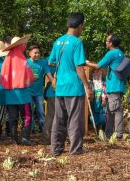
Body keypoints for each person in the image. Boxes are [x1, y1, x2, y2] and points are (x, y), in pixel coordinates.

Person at [48, 12, 93, 156]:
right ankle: (75, 149)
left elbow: (51, 62)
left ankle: (56, 149)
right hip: (73, 86)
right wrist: (87, 86)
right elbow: (79, 67)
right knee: (74, 118)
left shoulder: (57, 41)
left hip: (60, 86)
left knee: (59, 119)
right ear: (80, 26)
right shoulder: (76, 42)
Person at [1, 36, 36, 146]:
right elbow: (29, 77)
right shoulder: (22, 59)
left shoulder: (7, 59)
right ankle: (25, 137)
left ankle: (14, 139)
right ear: (20, 46)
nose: (25, 46)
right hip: (22, 94)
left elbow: (2, 77)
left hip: (9, 93)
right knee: (27, 115)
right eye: (23, 44)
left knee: (13, 117)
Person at [91, 33, 126, 139]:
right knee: (111, 110)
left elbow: (98, 65)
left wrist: (85, 63)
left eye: (107, 41)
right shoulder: (120, 53)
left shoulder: (111, 53)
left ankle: (118, 134)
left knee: (115, 109)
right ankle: (109, 133)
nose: (105, 42)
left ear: (111, 43)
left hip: (114, 85)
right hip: (118, 85)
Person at [26, 45, 50, 136]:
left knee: (41, 111)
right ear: (30, 53)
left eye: (38, 53)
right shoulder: (26, 62)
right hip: (28, 91)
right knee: (30, 111)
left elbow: (51, 59)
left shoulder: (43, 62)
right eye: (35, 53)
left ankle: (43, 129)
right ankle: (31, 130)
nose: (37, 54)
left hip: (39, 93)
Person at [42, 64, 57, 144]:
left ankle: (47, 138)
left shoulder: (47, 60)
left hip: (51, 92)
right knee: (52, 115)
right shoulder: (61, 58)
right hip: (56, 92)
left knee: (50, 115)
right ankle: (48, 138)